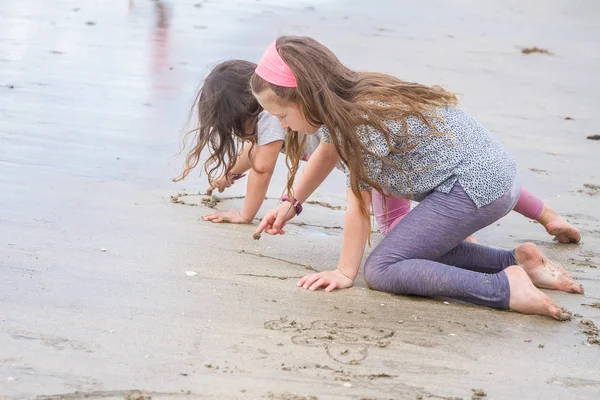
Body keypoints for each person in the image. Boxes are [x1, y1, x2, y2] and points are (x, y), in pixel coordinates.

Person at [251, 36, 584, 320]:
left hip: (474, 186)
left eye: (282, 115)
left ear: (306, 96)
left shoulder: (360, 122)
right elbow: (327, 151)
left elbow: (359, 206)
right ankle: (518, 262)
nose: (284, 126)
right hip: (494, 178)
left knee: (382, 269)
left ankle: (504, 288)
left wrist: (344, 272)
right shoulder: (347, 99)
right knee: (409, 246)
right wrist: (290, 203)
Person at [175, 60, 580, 245]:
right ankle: (546, 215)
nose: (279, 122)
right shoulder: (280, 104)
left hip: (373, 160)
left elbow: (263, 163)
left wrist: (248, 213)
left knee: (393, 230)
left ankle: (454, 237)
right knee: (484, 181)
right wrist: (230, 173)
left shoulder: (268, 114)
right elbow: (258, 158)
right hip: (410, 161)